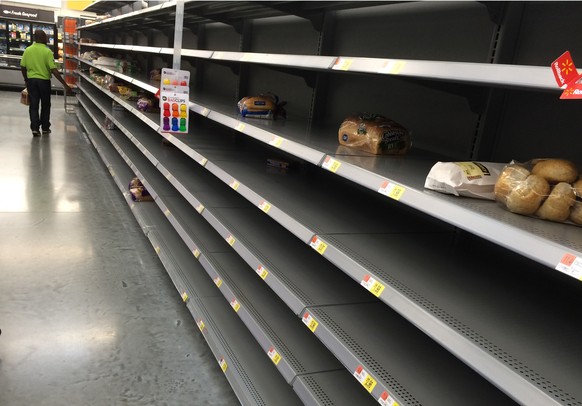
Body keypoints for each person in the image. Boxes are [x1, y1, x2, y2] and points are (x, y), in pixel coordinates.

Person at [21, 29, 73, 137]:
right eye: (45, 36)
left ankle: (35, 128)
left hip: (32, 81)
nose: (47, 38)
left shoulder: (28, 50)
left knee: (34, 105)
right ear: (42, 38)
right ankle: (45, 128)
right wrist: (65, 84)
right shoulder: (47, 51)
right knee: (45, 105)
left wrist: (26, 80)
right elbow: (53, 70)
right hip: (44, 82)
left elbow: (22, 66)